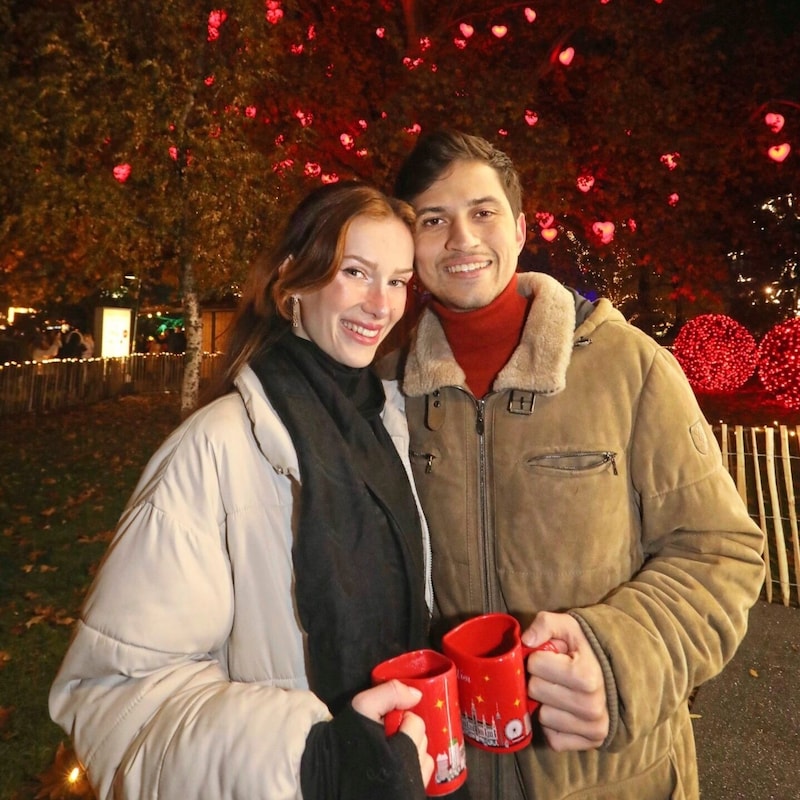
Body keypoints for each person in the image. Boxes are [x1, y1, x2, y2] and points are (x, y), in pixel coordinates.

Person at [384, 130, 765, 799]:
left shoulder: (631, 367)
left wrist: (618, 659)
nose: (462, 240)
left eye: (483, 212)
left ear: (522, 226)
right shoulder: (387, 389)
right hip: (449, 779)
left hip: (618, 780)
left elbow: (721, 553)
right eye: (433, 221)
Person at [49, 181, 436, 800]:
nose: (379, 303)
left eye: (397, 280)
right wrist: (315, 765)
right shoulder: (214, 449)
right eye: (356, 271)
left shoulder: (390, 428)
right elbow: (115, 700)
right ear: (293, 283)